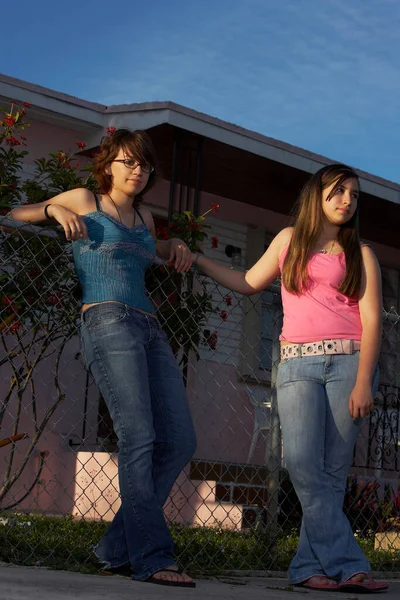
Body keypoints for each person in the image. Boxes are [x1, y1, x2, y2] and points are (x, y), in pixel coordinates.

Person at [8, 128, 197, 587]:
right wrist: (53, 209)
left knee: (178, 441)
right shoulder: (85, 199)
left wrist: (177, 248)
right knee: (139, 436)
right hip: (106, 319)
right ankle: (152, 557)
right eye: (128, 161)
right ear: (108, 165)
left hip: (149, 326)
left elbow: (148, 255)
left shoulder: (146, 219)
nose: (138, 170)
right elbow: (15, 213)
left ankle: (115, 548)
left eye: (144, 164)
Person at [191, 163, 388, 593]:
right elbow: (246, 282)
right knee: (300, 463)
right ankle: (349, 563)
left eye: (354, 195)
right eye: (338, 192)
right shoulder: (288, 241)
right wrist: (200, 262)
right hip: (297, 364)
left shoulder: (362, 253)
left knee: (333, 474)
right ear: (317, 195)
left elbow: (372, 320)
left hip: (349, 365)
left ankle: (306, 569)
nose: (347, 201)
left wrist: (362, 382)